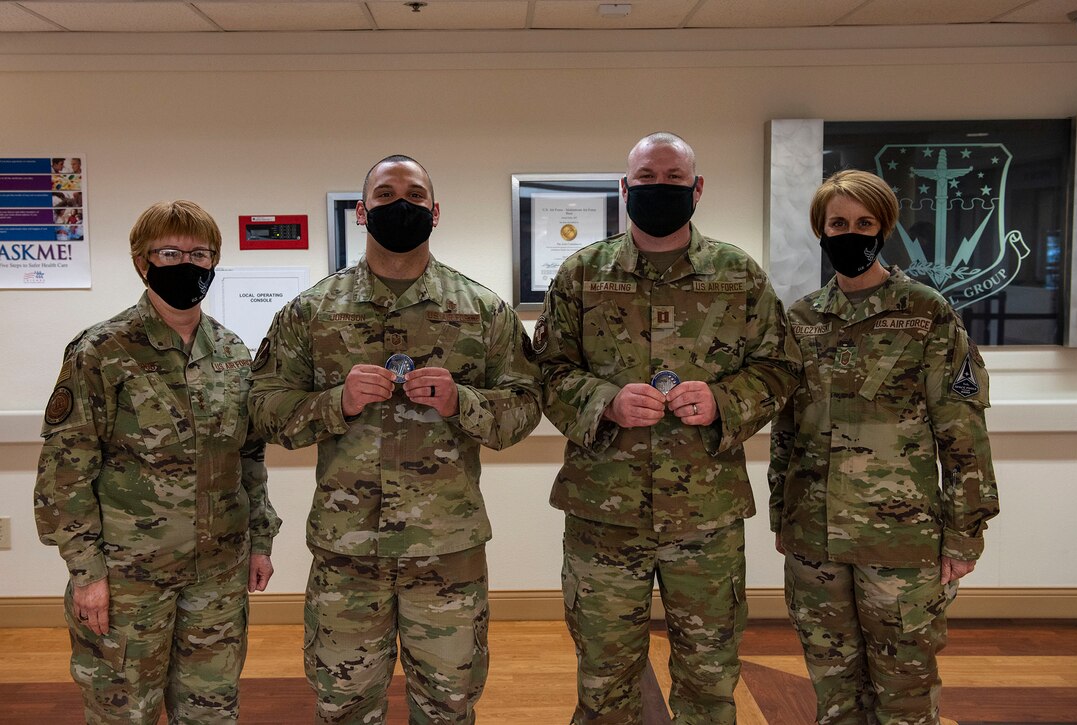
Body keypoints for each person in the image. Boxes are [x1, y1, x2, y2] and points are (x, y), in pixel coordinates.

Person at [247, 154, 542, 724]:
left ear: (435, 212)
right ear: (361, 212)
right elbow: (262, 409)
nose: (399, 204)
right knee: (345, 706)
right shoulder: (311, 313)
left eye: (413, 194)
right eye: (384, 195)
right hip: (347, 551)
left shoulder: (480, 311)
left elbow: (527, 405)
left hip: (446, 550)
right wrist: (338, 402)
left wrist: (465, 402)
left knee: (448, 705)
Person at [532, 132, 801, 723]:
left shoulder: (739, 276)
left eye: (674, 179)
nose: (660, 188)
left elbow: (782, 370)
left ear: (697, 189)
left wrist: (726, 400)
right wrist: (603, 401)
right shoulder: (582, 274)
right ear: (625, 189)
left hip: (706, 517)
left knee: (708, 680)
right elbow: (544, 373)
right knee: (604, 681)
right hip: (605, 513)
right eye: (647, 179)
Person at [34, 200, 281, 723]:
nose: (186, 264)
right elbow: (66, 469)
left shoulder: (233, 352)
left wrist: (260, 540)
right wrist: (87, 573)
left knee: (211, 710)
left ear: (215, 263)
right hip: (128, 579)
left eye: (199, 253)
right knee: (124, 711)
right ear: (141, 262)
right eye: (169, 252)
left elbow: (250, 457)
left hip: (218, 573)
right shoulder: (100, 351)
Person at [768, 169, 1000, 724]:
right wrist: (782, 518)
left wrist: (965, 535)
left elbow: (962, 434)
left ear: (885, 228)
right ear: (821, 232)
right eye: (838, 223)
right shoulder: (800, 320)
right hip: (814, 539)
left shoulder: (927, 314)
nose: (851, 233)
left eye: (865, 222)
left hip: (901, 541)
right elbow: (785, 432)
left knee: (905, 692)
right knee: (833, 690)